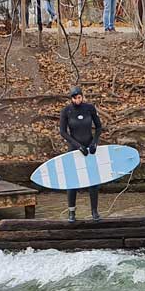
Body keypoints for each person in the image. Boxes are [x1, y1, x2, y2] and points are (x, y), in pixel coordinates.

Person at [58, 86, 103, 221]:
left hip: (90, 148)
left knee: (93, 180)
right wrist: (78, 146)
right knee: (72, 181)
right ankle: (72, 212)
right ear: (71, 99)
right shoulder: (66, 111)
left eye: (80, 97)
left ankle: (94, 211)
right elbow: (63, 132)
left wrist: (94, 143)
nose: (78, 100)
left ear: (82, 97)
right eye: (75, 98)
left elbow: (99, 126)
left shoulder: (89, 108)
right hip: (74, 149)